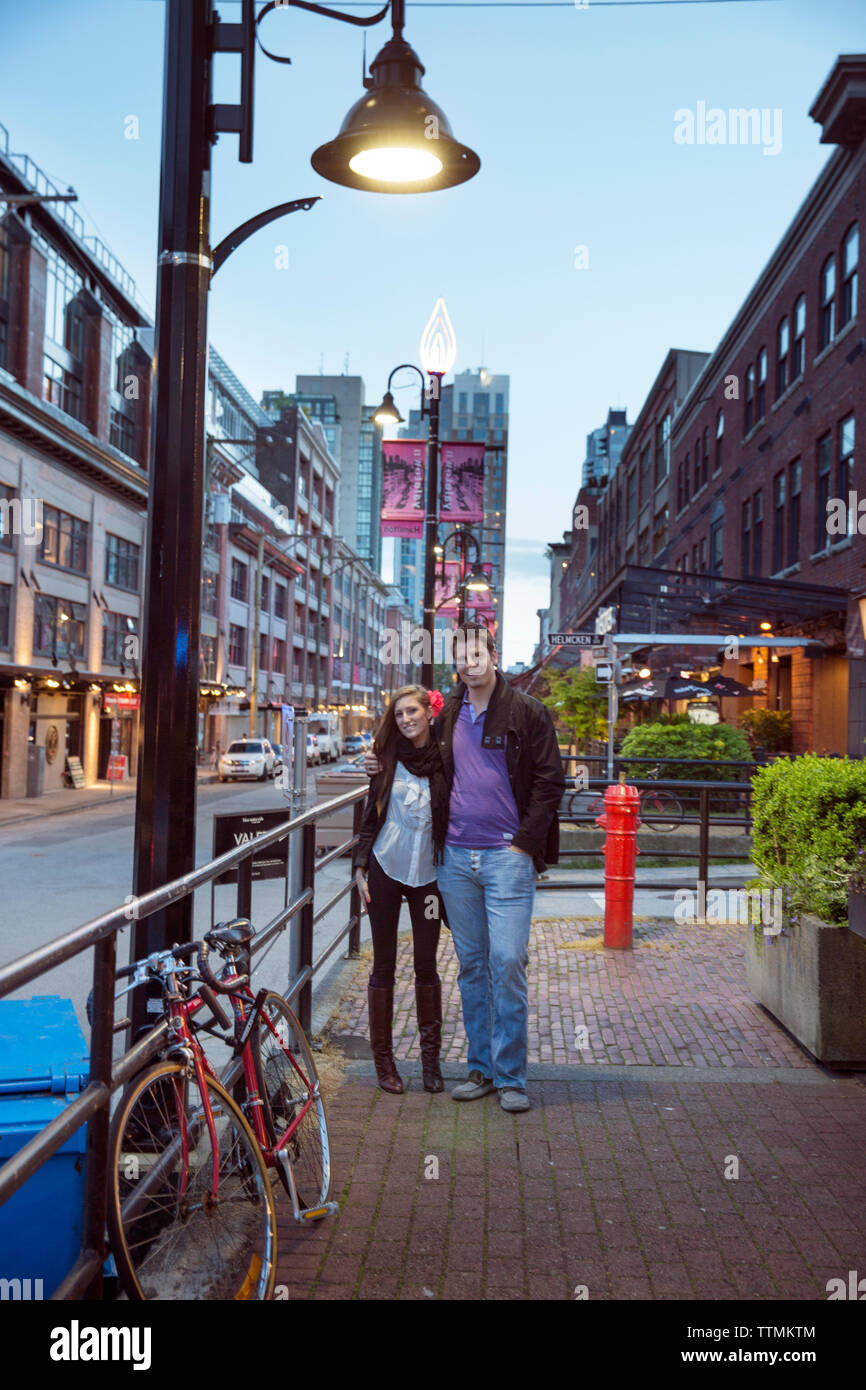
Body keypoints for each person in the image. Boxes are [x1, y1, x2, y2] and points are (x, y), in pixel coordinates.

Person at [367, 623, 565, 1113]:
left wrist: (523, 845)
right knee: (473, 966)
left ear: (493, 656)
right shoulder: (449, 713)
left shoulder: (528, 712)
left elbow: (549, 784)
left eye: (478, 654)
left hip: (507, 859)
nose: (470, 663)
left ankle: (511, 1076)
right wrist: (375, 761)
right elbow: (411, 747)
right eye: (462, 657)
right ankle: (479, 1068)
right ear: (455, 664)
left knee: (508, 962)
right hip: (454, 858)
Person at [353, 685, 450, 1095]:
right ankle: (384, 1064)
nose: (406, 719)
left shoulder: (448, 759)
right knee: (384, 966)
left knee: (427, 966)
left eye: (412, 711)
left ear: (430, 712)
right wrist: (358, 867)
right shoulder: (386, 759)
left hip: (429, 878)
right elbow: (371, 816)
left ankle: (431, 1064)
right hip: (385, 871)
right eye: (398, 714)